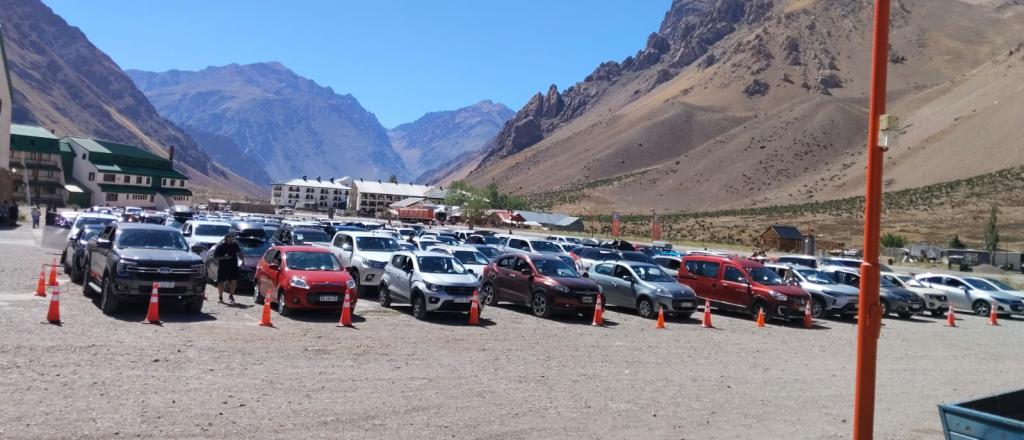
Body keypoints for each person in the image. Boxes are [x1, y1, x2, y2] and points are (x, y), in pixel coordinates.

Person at [213, 232, 244, 302]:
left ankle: (231, 295)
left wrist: (242, 261)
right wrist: (224, 257)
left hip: (233, 266)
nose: (230, 238)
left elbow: (239, 253)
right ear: (225, 238)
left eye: (231, 237)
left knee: (234, 281)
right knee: (221, 282)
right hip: (223, 266)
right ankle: (220, 296)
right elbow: (215, 257)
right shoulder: (220, 246)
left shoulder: (235, 245)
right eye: (228, 237)